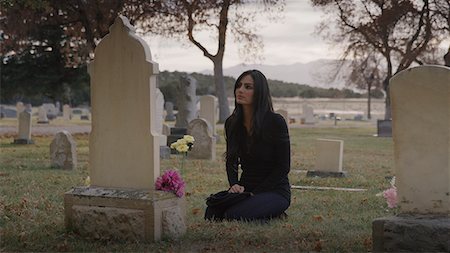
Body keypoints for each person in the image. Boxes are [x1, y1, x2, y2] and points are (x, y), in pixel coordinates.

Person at [205, 69, 291, 221]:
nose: (240, 90)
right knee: (212, 213)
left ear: (260, 92)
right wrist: (234, 185)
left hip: (274, 190)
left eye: (248, 87)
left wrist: (256, 192)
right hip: (245, 188)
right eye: (239, 86)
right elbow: (231, 160)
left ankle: (274, 213)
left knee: (235, 215)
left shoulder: (275, 122)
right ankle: (261, 211)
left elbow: (283, 167)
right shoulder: (232, 123)